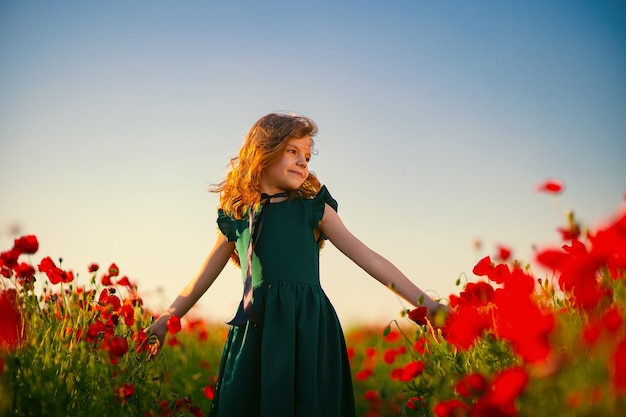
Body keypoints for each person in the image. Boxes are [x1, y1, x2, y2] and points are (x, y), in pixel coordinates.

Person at [146, 112, 448, 417]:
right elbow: (202, 276)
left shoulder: (315, 209)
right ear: (263, 151)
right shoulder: (236, 217)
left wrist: (428, 305)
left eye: (307, 156)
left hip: (309, 327)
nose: (303, 162)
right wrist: (165, 320)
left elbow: (369, 258)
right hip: (257, 330)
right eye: (293, 151)